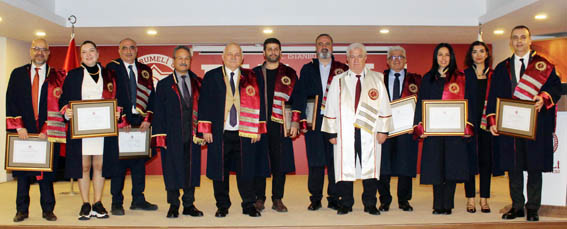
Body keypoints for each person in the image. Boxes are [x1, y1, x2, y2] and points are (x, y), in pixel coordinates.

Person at [486, 25, 562, 222]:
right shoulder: (502, 68)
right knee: (514, 168)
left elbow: (555, 88)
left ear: (529, 40)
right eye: (515, 38)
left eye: (523, 37)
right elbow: (493, 95)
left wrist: (544, 98)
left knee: (535, 167)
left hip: (536, 124)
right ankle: (517, 206)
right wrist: (492, 121)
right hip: (510, 125)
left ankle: (533, 208)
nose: (519, 41)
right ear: (511, 42)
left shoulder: (545, 65)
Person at [321, 43, 392, 215]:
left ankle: (370, 203)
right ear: (347, 59)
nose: (356, 60)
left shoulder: (377, 79)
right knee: (346, 168)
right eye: (352, 56)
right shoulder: (338, 80)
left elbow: (384, 106)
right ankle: (346, 203)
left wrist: (384, 130)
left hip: (370, 132)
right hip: (345, 132)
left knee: (370, 168)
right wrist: (331, 132)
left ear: (366, 58)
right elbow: (330, 107)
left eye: (359, 56)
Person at [59, 40, 127, 220]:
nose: (88, 55)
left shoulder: (110, 75)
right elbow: (64, 100)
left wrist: (118, 113)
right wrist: (68, 111)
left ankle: (97, 202)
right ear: (81, 56)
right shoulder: (73, 75)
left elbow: (120, 100)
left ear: (98, 54)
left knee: (99, 165)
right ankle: (85, 203)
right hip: (81, 130)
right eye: (84, 52)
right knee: (84, 165)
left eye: (91, 51)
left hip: (103, 129)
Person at [198, 42, 266, 217]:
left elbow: (261, 104)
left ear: (242, 58)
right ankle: (222, 205)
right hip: (220, 133)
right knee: (220, 171)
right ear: (223, 56)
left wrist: (257, 129)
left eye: (237, 54)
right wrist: (205, 128)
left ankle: (248, 204)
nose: (234, 57)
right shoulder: (211, 76)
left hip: (244, 132)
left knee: (246, 170)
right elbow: (204, 103)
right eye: (230, 54)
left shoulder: (251, 77)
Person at [413, 43, 478, 215]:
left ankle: (447, 204)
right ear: (435, 57)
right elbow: (421, 103)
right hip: (434, 132)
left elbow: (469, 102)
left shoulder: (461, 77)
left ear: (452, 57)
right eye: (440, 55)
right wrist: (420, 127)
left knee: (452, 167)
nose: (443, 58)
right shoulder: (428, 78)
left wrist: (468, 126)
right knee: (435, 167)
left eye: (447, 55)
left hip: (454, 132)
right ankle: (437, 204)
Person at [6, 38, 65, 222]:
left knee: (46, 173)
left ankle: (48, 209)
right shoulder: (17, 74)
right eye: (36, 49)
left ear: (49, 53)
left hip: (47, 130)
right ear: (31, 51)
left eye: (44, 49)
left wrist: (48, 128)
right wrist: (19, 127)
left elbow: (61, 105)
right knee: (23, 173)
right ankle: (21, 210)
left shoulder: (58, 76)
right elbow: (11, 101)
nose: (39, 52)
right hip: (24, 130)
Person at [105, 38, 158, 216]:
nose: (128, 51)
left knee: (139, 164)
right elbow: (109, 95)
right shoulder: (111, 68)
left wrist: (148, 118)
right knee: (118, 164)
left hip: (140, 123)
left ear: (137, 50)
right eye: (124, 48)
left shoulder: (145, 70)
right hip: (121, 122)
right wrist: (122, 120)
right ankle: (116, 202)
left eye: (132, 48)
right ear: (118, 51)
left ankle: (138, 199)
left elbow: (152, 96)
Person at [297, 34, 348, 211]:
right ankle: (316, 198)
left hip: (336, 123)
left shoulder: (343, 69)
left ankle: (334, 197)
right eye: (320, 44)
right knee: (316, 162)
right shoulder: (307, 69)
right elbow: (300, 95)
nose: (324, 47)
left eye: (327, 44)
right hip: (314, 123)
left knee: (335, 162)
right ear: (316, 48)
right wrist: (301, 120)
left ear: (332, 47)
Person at [152, 46, 204, 218]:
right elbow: (158, 112)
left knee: (191, 170)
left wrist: (202, 133)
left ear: (190, 61)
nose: (183, 61)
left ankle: (189, 204)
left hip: (192, 135)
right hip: (171, 136)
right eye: (180, 58)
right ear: (174, 61)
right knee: (172, 170)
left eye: (186, 58)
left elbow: (204, 111)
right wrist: (160, 138)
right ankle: (173, 205)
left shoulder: (198, 82)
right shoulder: (164, 84)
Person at [252, 38, 300, 212]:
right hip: (260, 126)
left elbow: (297, 100)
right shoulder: (254, 74)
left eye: (276, 49)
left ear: (280, 52)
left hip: (281, 126)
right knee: (259, 163)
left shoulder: (290, 73)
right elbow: (247, 102)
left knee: (280, 164)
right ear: (263, 53)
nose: (273, 52)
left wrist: (295, 121)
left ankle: (277, 199)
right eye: (269, 49)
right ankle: (259, 198)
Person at [376, 46, 421, 212]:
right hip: (384, 130)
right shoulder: (378, 79)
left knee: (406, 166)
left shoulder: (416, 80)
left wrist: (416, 124)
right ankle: (385, 200)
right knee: (383, 167)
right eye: (393, 57)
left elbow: (421, 105)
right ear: (387, 61)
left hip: (406, 132)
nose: (396, 60)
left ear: (405, 60)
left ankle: (404, 200)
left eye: (400, 57)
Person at [462, 41, 501, 213]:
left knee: (486, 161)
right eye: (474, 51)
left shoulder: (494, 75)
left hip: (487, 124)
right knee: (468, 161)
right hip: (469, 123)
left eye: (482, 51)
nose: (478, 54)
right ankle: (470, 199)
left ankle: (484, 199)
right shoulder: (463, 75)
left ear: (487, 54)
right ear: (470, 55)